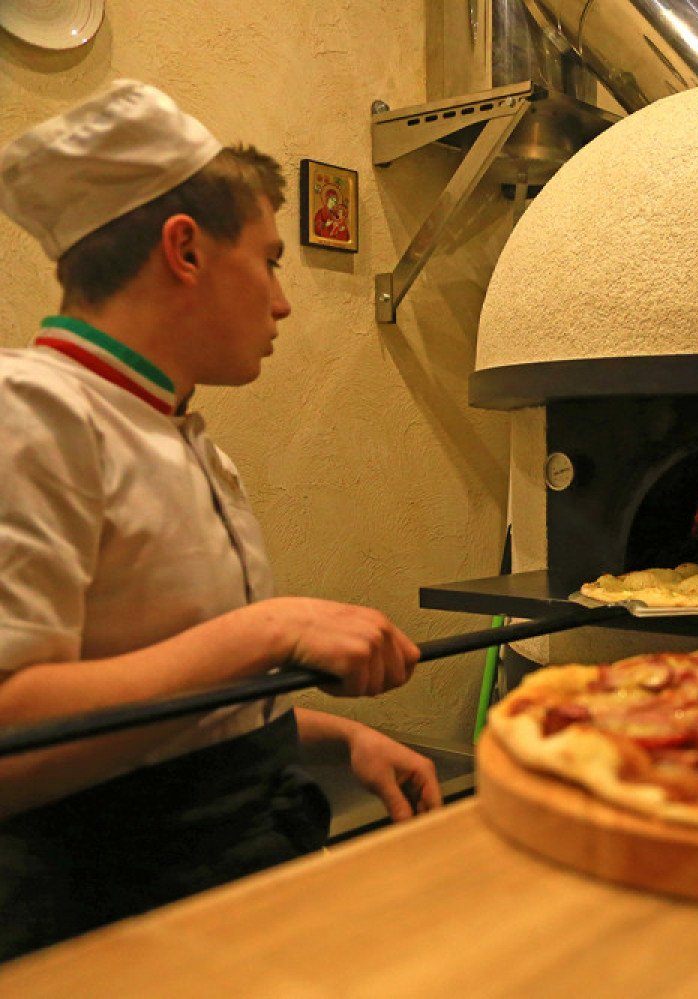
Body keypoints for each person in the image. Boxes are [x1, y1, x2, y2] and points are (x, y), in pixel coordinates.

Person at [0, 80, 442, 960]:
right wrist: (271, 627)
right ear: (186, 249)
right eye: (271, 260)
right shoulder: (29, 413)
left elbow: (171, 707)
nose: (282, 301)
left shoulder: (170, 430)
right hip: (104, 913)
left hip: (219, 876)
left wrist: (330, 736)